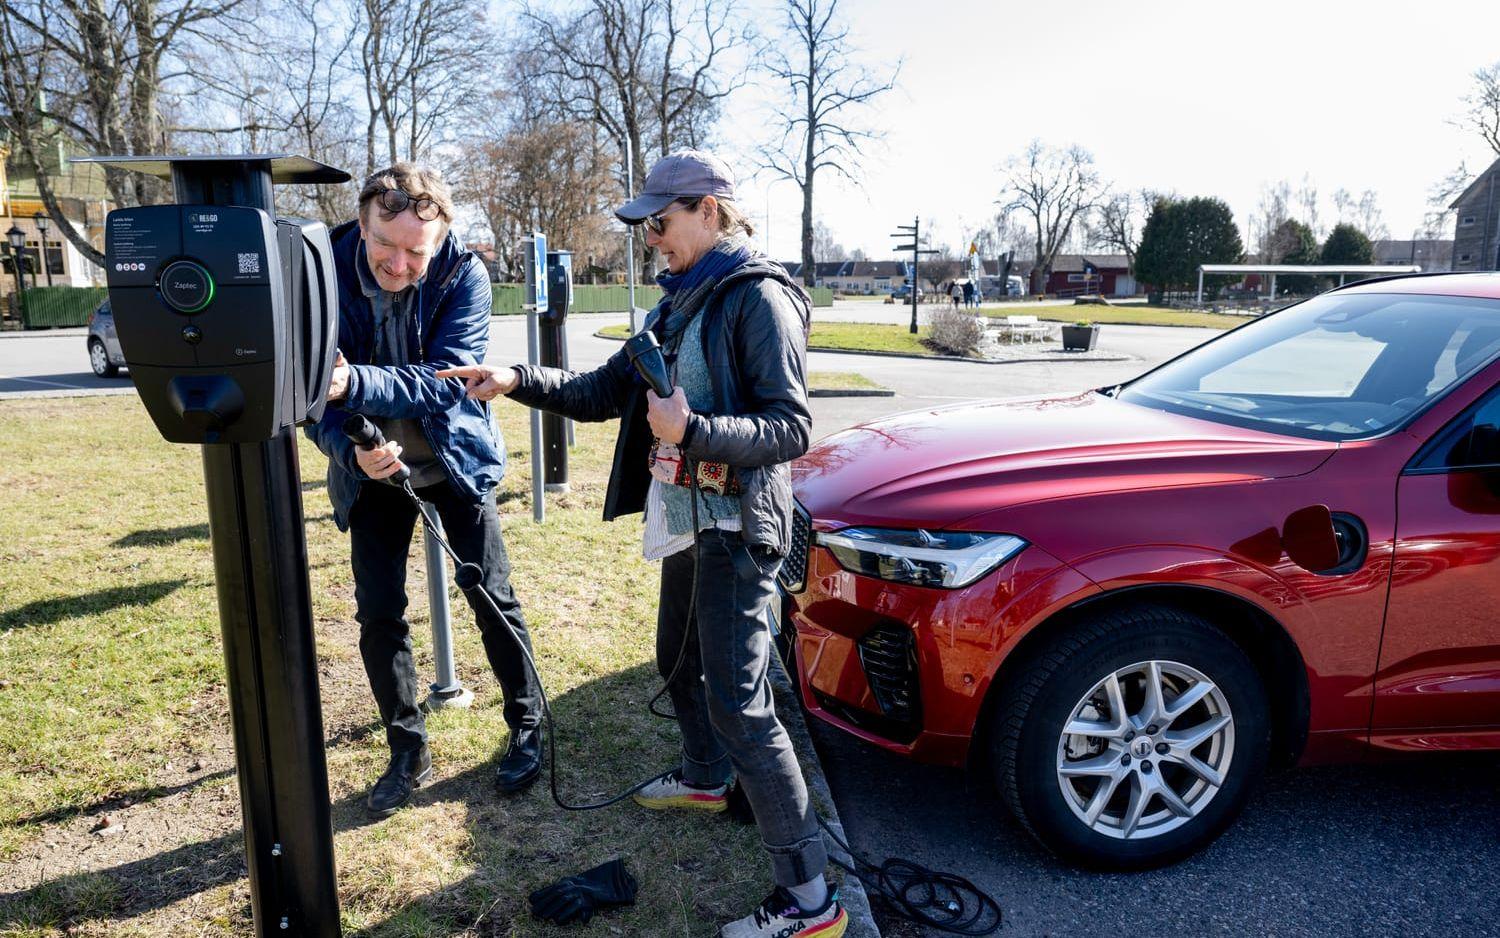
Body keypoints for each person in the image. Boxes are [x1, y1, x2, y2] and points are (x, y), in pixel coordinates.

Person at [437, 149, 844, 938]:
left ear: (710, 213)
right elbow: (599, 391)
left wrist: (695, 430)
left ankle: (810, 902)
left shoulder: (758, 298)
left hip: (737, 530)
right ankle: (702, 779)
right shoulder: (677, 304)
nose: (650, 238)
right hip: (691, 524)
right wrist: (516, 377)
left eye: (660, 222)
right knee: (674, 661)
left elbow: (791, 426)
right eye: (645, 226)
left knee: (743, 708)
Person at [304, 162, 545, 818]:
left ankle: (529, 725)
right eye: (387, 245)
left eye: (418, 251)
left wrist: (355, 384)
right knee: (379, 613)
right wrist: (348, 444)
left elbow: (445, 380)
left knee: (491, 594)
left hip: (453, 460)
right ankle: (407, 748)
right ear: (362, 221)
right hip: (370, 471)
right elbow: (308, 389)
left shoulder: (463, 271)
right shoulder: (318, 269)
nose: (402, 264)